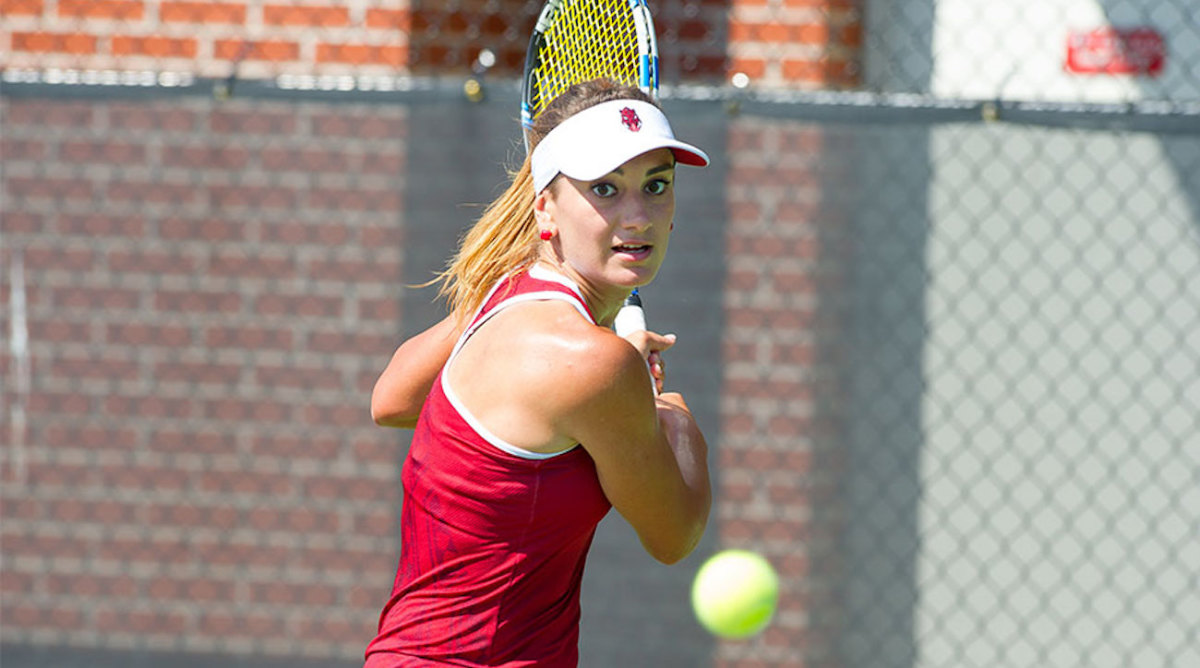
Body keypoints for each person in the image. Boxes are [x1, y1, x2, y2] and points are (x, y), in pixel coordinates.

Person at [364, 78, 712, 667]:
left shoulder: (504, 297)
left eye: (656, 186)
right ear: (544, 207)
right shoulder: (593, 362)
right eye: (605, 189)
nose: (638, 216)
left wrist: (617, 363)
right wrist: (671, 415)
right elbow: (674, 533)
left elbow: (392, 397)